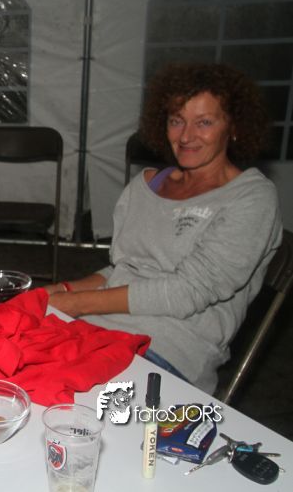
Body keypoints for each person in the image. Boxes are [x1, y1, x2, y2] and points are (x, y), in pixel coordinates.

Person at [45, 62, 283, 393]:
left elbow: (187, 291)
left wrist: (74, 304)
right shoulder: (144, 186)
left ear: (233, 127)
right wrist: (59, 291)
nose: (186, 136)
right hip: (94, 330)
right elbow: (123, 269)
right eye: (176, 120)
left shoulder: (252, 198)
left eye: (204, 122)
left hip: (167, 352)